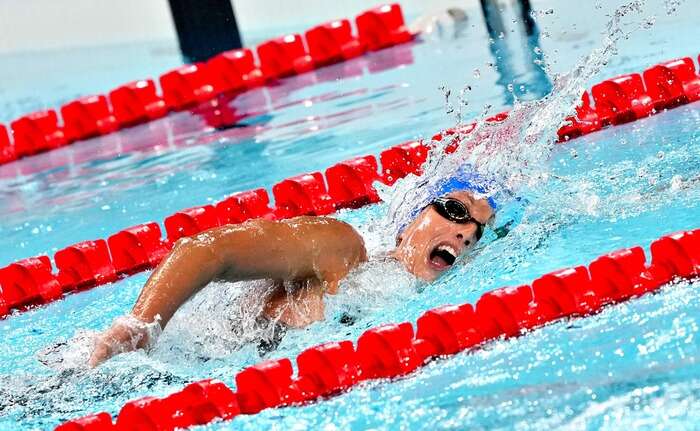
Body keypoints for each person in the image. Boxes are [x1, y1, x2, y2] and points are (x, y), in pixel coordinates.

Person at [88, 178, 495, 367]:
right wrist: (141, 325)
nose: (464, 232)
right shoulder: (342, 249)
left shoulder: (420, 307)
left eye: (477, 231)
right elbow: (206, 249)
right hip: (134, 368)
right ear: (407, 222)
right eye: (455, 210)